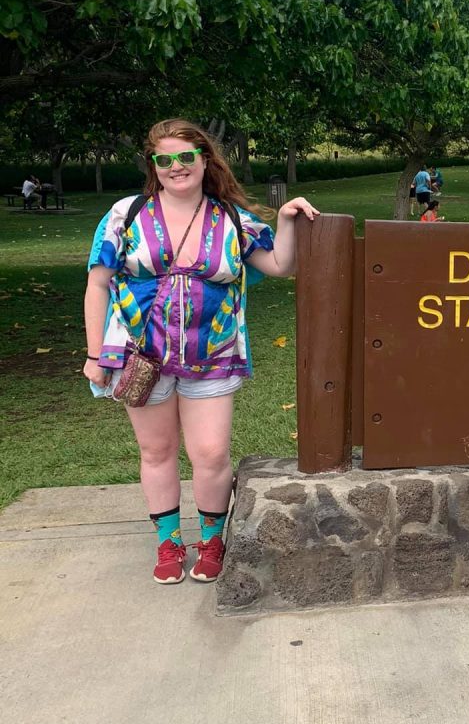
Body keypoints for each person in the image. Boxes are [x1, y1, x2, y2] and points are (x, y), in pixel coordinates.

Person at [82, 119, 319, 586]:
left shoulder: (230, 217)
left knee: (210, 452)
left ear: (204, 159)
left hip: (213, 352)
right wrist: (95, 354)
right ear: (153, 166)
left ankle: (212, 539)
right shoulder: (125, 215)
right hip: (139, 354)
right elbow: (98, 283)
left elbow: (280, 265)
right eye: (164, 159)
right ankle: (168, 540)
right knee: (157, 449)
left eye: (185, 157)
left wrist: (287, 218)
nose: (176, 167)